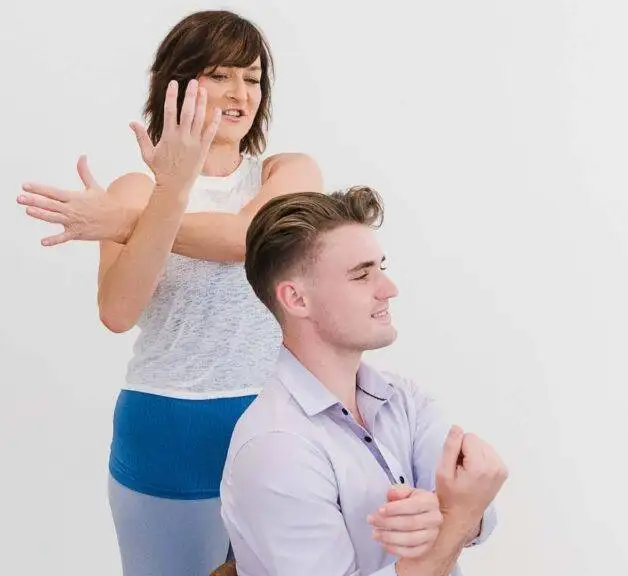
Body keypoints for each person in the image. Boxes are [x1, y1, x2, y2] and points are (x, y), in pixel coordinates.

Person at [16, 10, 322, 575]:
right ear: (177, 83)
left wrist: (128, 222)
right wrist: (170, 189)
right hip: (168, 425)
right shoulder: (134, 188)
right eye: (219, 74)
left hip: (276, 423)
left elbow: (245, 239)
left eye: (252, 78)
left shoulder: (288, 174)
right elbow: (117, 311)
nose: (240, 93)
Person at [220, 187, 507, 576]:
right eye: (361, 275)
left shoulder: (405, 399)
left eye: (381, 268)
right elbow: (469, 505)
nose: (389, 289)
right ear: (296, 299)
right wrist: (456, 518)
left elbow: (479, 508)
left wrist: (452, 518)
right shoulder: (275, 446)